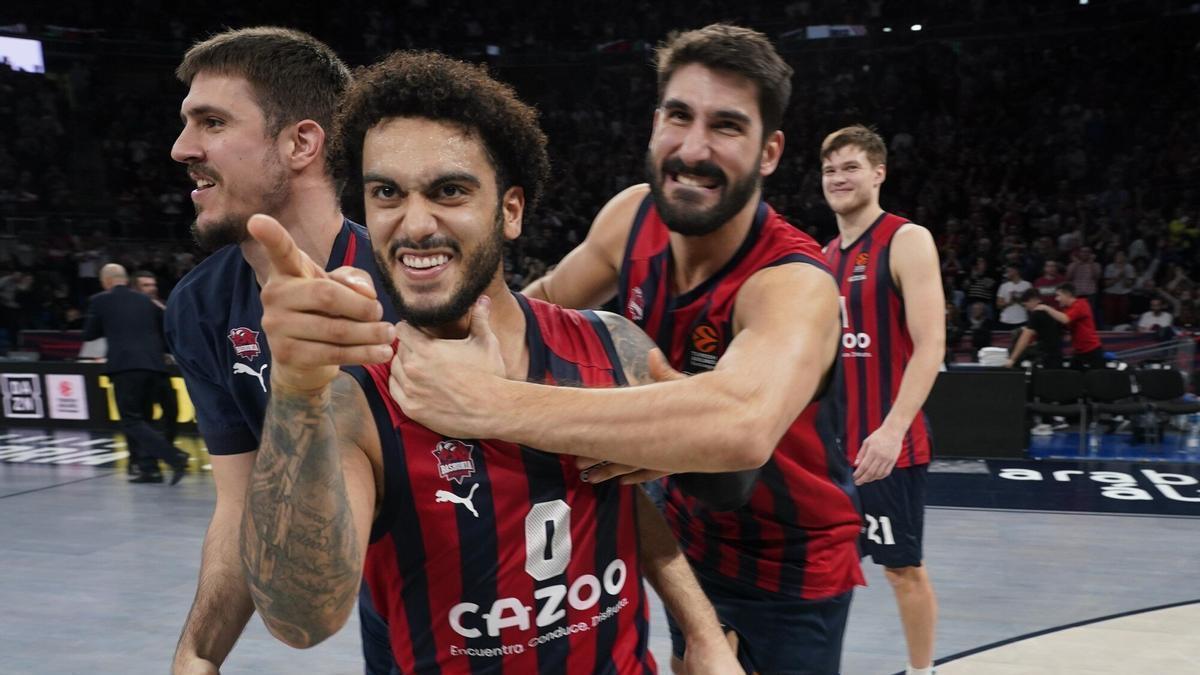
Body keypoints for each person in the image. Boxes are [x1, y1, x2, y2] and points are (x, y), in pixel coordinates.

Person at [240, 50, 739, 674]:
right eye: (387, 193)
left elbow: (634, 499)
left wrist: (704, 632)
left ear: (510, 210)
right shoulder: (356, 398)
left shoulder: (613, 345)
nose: (415, 224)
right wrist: (293, 392)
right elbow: (299, 619)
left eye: (449, 190)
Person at [387, 25, 863, 675]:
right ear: (653, 123)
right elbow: (530, 308)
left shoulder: (793, 282)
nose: (692, 147)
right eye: (678, 115)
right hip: (677, 538)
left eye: (726, 126)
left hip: (783, 571)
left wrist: (488, 401)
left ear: (770, 151)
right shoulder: (633, 215)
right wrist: (432, 320)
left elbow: (738, 427)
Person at [163, 27, 399, 674]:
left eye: (211, 121)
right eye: (188, 123)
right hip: (393, 639)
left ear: (300, 142)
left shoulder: (414, 272)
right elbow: (240, 506)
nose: (183, 148)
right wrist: (197, 653)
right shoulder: (199, 307)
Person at [820, 125, 943, 675]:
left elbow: (931, 343)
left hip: (888, 447)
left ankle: (923, 672)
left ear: (878, 172)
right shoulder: (822, 257)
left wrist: (892, 430)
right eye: (829, 170)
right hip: (832, 452)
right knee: (823, 575)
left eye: (850, 167)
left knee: (902, 570)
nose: (838, 178)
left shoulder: (906, 238)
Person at [82, 263, 186, 484]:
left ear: (105, 281)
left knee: (131, 421)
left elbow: (89, 334)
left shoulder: (100, 300)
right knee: (145, 419)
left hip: (126, 367)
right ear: (126, 279)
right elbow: (163, 332)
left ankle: (174, 456)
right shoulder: (147, 301)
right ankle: (149, 470)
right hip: (155, 366)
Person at [134, 269, 179, 449]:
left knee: (172, 410)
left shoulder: (162, 306)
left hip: (160, 367)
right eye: (146, 285)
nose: (151, 288)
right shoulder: (131, 310)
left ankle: (166, 448)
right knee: (144, 415)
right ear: (136, 288)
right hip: (139, 368)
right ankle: (145, 457)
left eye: (153, 285)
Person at [1034, 283, 1105, 370]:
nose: (1056, 299)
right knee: (1073, 379)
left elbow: (1065, 319)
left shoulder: (1081, 304)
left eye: (1058, 295)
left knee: (1096, 380)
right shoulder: (1067, 309)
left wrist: (1046, 308)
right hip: (1079, 352)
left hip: (1092, 351)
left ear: (1067, 295)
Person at [1005, 288, 1064, 369]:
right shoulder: (1052, 310)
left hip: (1046, 357)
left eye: (1026, 305)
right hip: (1058, 355)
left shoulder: (1037, 313)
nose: (1026, 309)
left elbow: (1024, 338)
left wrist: (1012, 359)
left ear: (1033, 300)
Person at [995, 264, 1032, 329]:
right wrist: (1009, 302)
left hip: (1022, 319)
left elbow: (1032, 304)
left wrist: (1019, 300)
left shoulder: (1027, 285)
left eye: (1009, 271)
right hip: (1005, 320)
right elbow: (998, 305)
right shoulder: (1004, 286)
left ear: (1015, 271)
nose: (1007, 274)